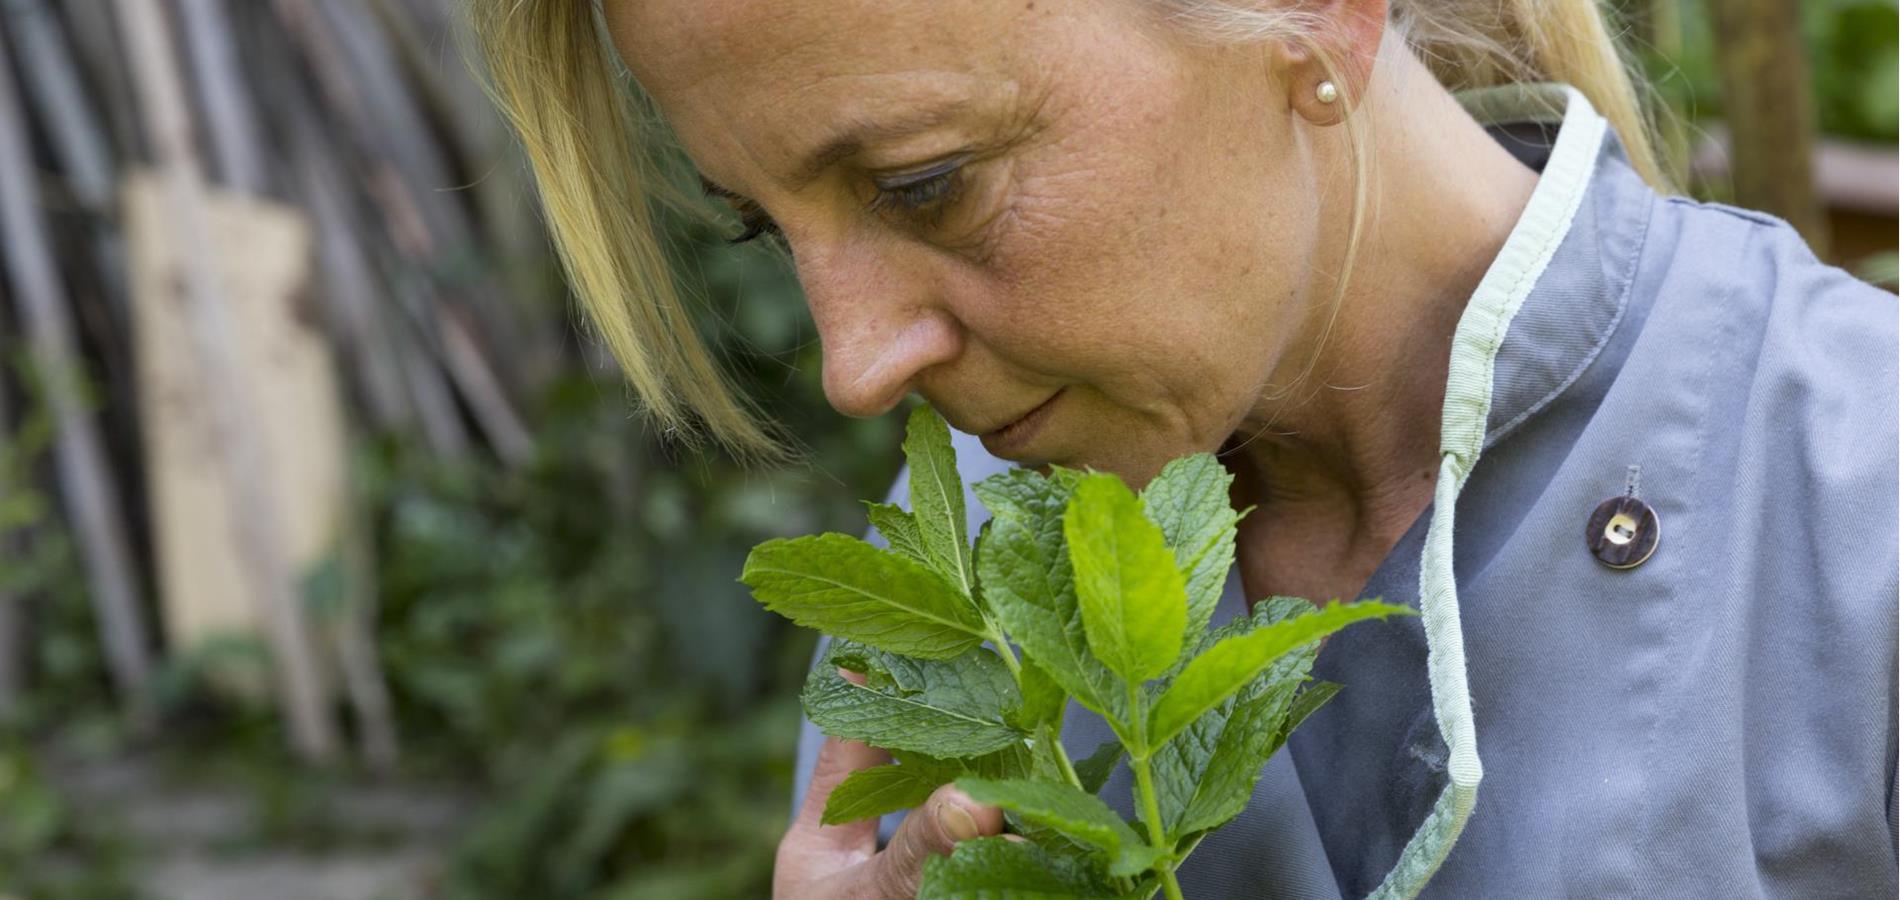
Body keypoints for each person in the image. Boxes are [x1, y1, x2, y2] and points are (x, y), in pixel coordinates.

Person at [466, 0, 1898, 896]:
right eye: (768, 227)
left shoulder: (1857, 486)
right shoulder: (958, 558)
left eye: (924, 182)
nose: (853, 365)